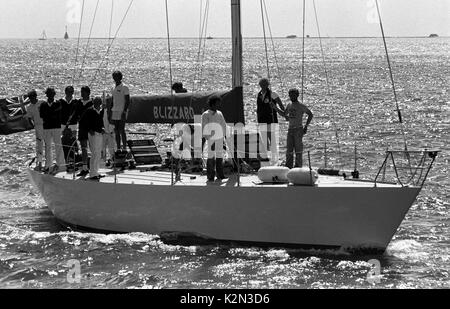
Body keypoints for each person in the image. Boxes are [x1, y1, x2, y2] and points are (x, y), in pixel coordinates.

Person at [272, 88, 313, 168]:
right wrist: (275, 108)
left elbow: (310, 114)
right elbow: (284, 114)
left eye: (293, 95)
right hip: (290, 129)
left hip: (298, 129)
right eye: (290, 95)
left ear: (297, 95)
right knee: (289, 150)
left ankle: (298, 166)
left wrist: (306, 126)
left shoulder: (301, 106)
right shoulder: (289, 104)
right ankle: (289, 166)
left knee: (298, 150)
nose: (291, 96)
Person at [67, 86, 93, 177]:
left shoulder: (92, 103)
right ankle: (85, 167)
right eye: (81, 92)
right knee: (83, 148)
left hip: (91, 128)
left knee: (93, 148)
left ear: (88, 93)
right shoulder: (78, 103)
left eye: (83, 92)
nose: (82, 94)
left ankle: (93, 167)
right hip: (82, 127)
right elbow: (74, 115)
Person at [256, 78, 285, 158]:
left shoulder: (273, 94)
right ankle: (267, 156)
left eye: (265, 84)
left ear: (268, 85)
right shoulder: (259, 94)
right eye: (262, 85)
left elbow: (281, 106)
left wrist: (283, 112)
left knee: (272, 139)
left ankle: (275, 156)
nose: (263, 86)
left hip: (271, 119)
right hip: (262, 120)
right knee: (264, 139)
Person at [201, 96, 227, 182]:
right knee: (211, 157)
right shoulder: (205, 114)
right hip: (211, 138)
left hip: (219, 137)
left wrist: (224, 135)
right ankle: (210, 176)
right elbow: (204, 126)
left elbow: (223, 125)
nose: (218, 105)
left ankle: (220, 174)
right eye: (217, 103)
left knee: (220, 156)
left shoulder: (220, 113)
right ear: (212, 104)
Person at [39, 87, 65, 174]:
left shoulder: (58, 103)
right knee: (48, 146)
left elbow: (58, 114)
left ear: (54, 94)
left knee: (58, 145)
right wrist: (52, 113)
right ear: (46, 95)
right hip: (47, 127)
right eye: (48, 94)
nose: (50, 95)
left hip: (56, 127)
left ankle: (60, 164)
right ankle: (48, 165)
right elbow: (42, 115)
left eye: (51, 94)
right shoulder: (43, 105)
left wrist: (49, 114)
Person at [84, 97, 105, 180]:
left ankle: (96, 171)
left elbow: (100, 122)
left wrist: (102, 128)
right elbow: (85, 122)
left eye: (98, 102)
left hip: (99, 133)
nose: (97, 103)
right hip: (93, 134)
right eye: (95, 102)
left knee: (98, 153)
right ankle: (92, 173)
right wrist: (89, 130)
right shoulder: (90, 111)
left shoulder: (100, 111)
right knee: (94, 153)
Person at [110, 71, 130, 151]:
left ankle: (124, 147)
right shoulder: (112, 87)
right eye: (114, 76)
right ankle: (118, 147)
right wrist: (110, 111)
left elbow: (128, 100)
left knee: (122, 129)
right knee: (116, 130)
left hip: (122, 111)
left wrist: (124, 111)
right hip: (114, 110)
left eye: (116, 76)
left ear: (120, 77)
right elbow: (112, 100)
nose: (115, 78)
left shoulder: (125, 87)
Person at [58, 86, 78, 164]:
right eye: (69, 91)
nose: (70, 93)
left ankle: (74, 158)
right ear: (65, 92)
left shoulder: (76, 101)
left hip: (73, 124)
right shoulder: (60, 101)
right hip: (63, 124)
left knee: (73, 141)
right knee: (63, 141)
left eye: (72, 92)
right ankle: (64, 159)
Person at [25, 90, 44, 171]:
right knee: (39, 145)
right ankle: (40, 163)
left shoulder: (42, 103)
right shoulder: (29, 107)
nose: (31, 99)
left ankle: (48, 163)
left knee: (48, 144)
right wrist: (32, 125)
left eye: (32, 97)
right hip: (38, 126)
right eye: (30, 98)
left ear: (35, 96)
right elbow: (29, 118)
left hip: (46, 125)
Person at [102, 97, 115, 165]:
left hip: (111, 133)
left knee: (112, 149)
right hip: (104, 133)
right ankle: (103, 163)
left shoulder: (113, 112)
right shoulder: (103, 111)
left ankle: (113, 162)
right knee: (102, 149)